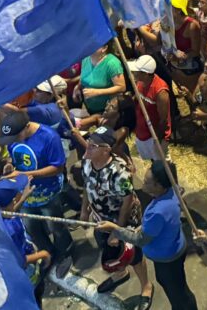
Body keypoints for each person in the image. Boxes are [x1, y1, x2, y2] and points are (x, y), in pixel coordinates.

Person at [96, 161, 198, 310]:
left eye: (146, 182)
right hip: (175, 245)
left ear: (159, 186)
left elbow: (141, 240)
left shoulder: (157, 212)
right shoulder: (174, 190)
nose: (142, 185)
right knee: (178, 287)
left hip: (167, 257)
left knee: (178, 294)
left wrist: (115, 229)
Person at [80, 127, 151, 299]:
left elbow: (128, 200)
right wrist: (84, 210)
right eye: (89, 142)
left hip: (123, 219)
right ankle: (120, 273)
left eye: (93, 145)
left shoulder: (120, 173)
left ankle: (146, 285)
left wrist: (118, 230)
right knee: (109, 249)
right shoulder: (87, 161)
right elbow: (87, 185)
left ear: (106, 150)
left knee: (133, 255)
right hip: (100, 219)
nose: (88, 147)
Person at [0, 109, 72, 271]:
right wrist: (10, 164)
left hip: (49, 191)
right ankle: (48, 252)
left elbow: (58, 167)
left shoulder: (49, 137)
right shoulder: (14, 138)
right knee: (32, 227)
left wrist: (24, 173)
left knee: (56, 226)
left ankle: (64, 253)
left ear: (26, 127)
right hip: (25, 192)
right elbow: (14, 155)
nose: (14, 141)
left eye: (15, 137)